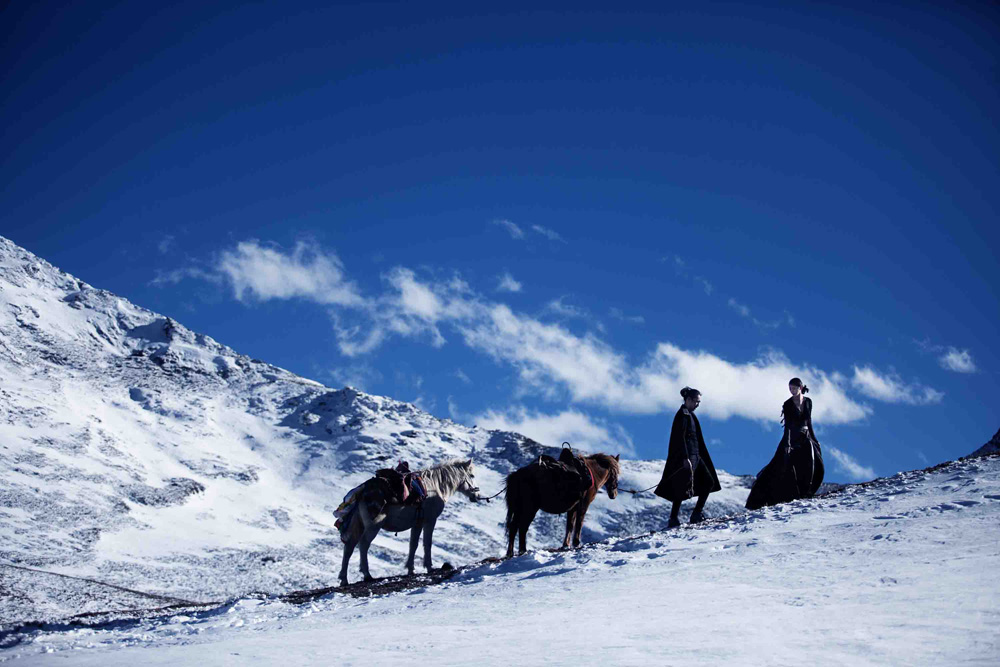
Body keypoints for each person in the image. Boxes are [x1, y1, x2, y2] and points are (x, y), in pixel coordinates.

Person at [745, 377, 825, 510]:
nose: (792, 391)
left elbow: (809, 422)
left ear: (800, 388)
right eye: (790, 388)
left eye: (794, 388)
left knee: (813, 462)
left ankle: (807, 491)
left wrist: (815, 439)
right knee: (780, 464)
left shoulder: (808, 402)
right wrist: (787, 444)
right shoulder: (787, 404)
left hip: (806, 436)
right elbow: (787, 426)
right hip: (791, 437)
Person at [654, 387, 722, 528]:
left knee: (708, 482)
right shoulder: (682, 415)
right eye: (696, 401)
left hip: (696, 456)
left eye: (699, 402)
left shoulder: (690, 415)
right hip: (687, 458)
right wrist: (685, 458)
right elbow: (679, 438)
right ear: (689, 400)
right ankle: (673, 519)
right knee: (681, 488)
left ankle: (696, 513)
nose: (697, 404)